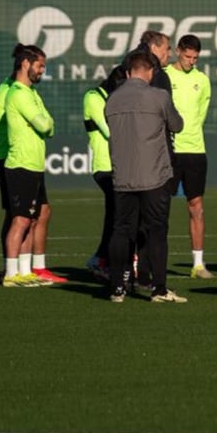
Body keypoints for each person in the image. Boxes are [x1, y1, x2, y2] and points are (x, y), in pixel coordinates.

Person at [105, 50, 187, 303]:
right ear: (150, 72)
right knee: (157, 232)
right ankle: (159, 289)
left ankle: (117, 287)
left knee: (120, 231)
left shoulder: (113, 100)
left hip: (123, 176)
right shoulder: (159, 96)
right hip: (154, 175)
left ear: (129, 72)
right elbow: (178, 125)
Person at [0, 45, 57, 288]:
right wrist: (45, 123)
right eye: (40, 65)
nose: (42, 70)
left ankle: (24, 271)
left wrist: (46, 123)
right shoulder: (19, 94)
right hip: (20, 164)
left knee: (31, 220)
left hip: (34, 164)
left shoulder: (32, 93)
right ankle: (11, 273)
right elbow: (44, 125)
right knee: (20, 219)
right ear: (25, 64)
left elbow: (49, 124)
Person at [165, 34, 214, 279]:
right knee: (159, 207)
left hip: (195, 150)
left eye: (195, 58)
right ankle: (149, 260)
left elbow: (201, 114)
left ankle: (198, 264)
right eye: (187, 56)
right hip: (169, 151)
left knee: (196, 206)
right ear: (177, 52)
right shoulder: (164, 76)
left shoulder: (203, 80)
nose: (191, 61)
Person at [82, 65, 128, 282]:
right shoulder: (93, 97)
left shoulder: (113, 98)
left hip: (120, 165)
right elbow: (110, 130)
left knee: (116, 215)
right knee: (117, 216)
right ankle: (101, 260)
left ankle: (103, 259)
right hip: (104, 166)